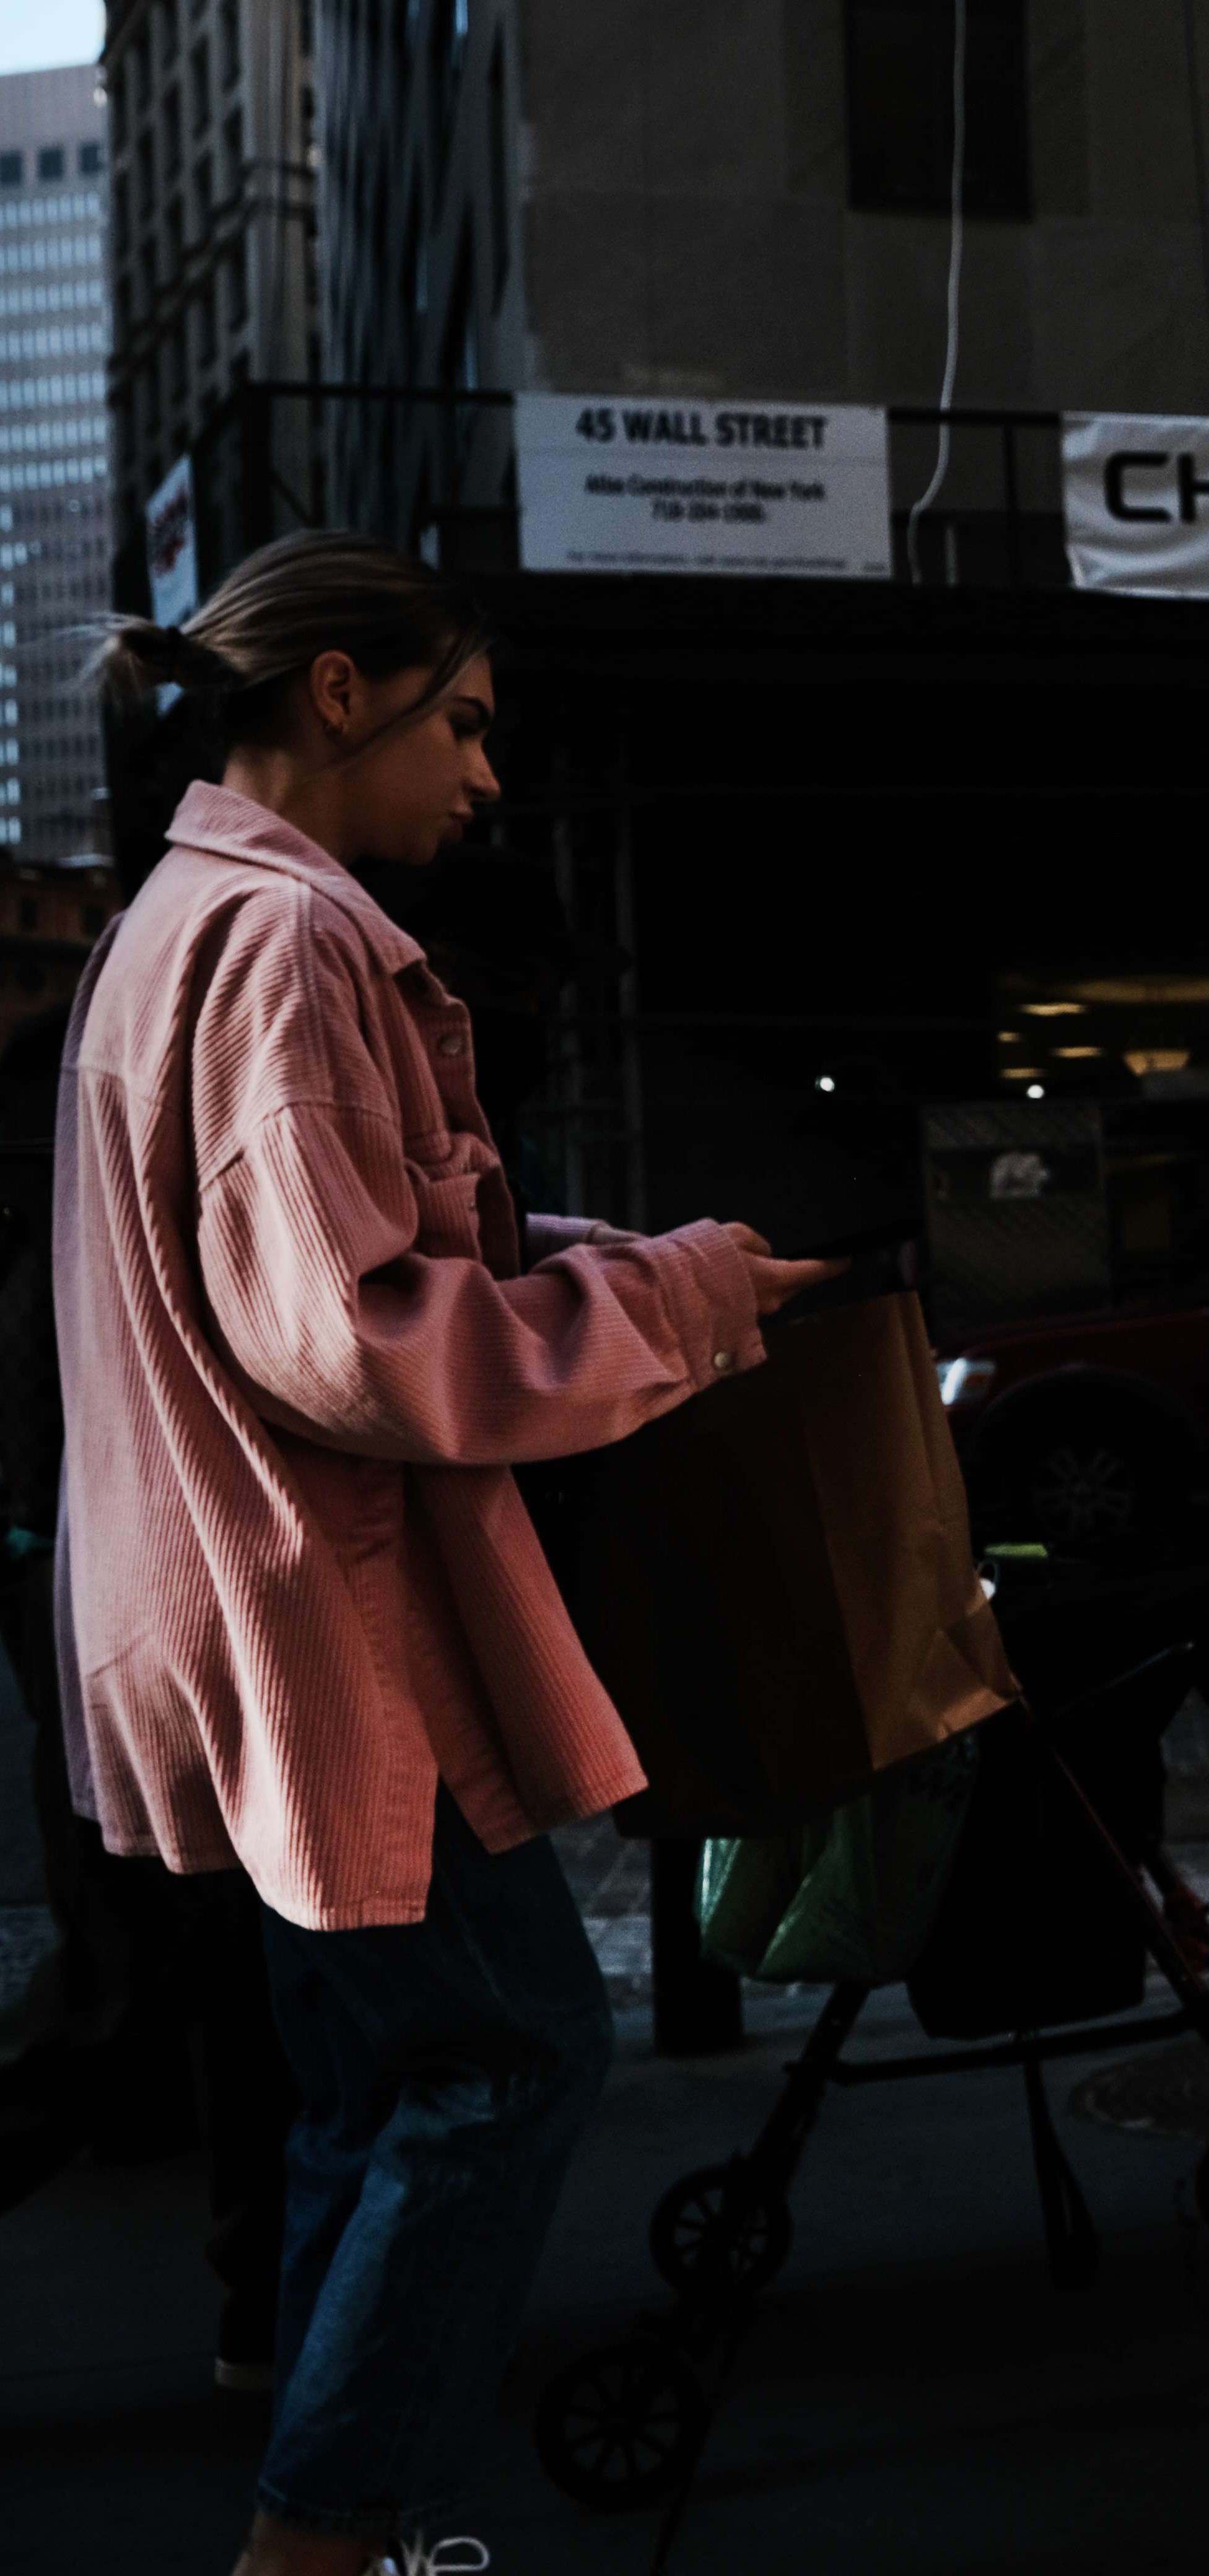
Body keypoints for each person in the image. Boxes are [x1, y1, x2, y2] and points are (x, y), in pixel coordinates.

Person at [61, 532, 837, 2576]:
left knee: (372, 2080)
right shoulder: (289, 937)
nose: (487, 776)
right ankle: (324, 2540)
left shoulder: (175, 922)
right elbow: (358, 1337)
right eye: (466, 723)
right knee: (511, 2053)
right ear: (341, 691)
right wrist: (674, 1298)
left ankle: (347, 2521)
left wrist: (637, 1266)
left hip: (232, 1607)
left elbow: (335, 1255)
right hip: (330, 1627)